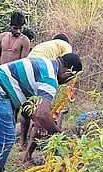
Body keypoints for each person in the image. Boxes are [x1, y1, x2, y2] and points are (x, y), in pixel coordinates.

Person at [0, 53, 82, 172]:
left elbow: (34, 108)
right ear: (67, 71)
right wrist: (57, 134)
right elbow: (43, 114)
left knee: (5, 137)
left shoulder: (45, 64)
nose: (68, 81)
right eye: (70, 77)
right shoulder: (50, 79)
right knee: (5, 139)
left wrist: (38, 122)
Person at [19, 33, 74, 162]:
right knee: (41, 119)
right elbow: (67, 70)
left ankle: (23, 143)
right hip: (42, 73)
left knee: (27, 111)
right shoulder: (66, 48)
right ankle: (28, 155)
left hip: (28, 72)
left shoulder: (45, 46)